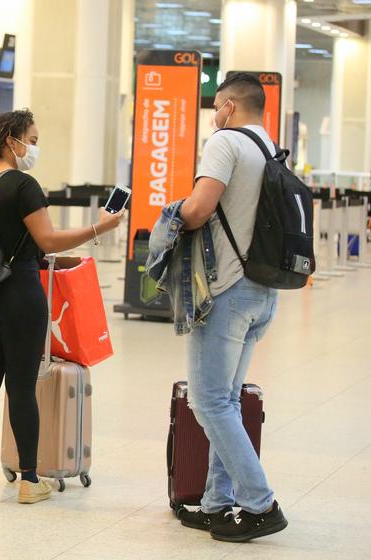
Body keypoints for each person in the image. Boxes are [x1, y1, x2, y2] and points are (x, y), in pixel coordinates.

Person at [0, 109, 124, 504]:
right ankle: (29, 479)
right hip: (19, 293)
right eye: (33, 140)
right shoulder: (23, 184)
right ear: (12, 140)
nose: (34, 148)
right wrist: (102, 227)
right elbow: (48, 240)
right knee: (22, 386)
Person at [175, 72, 288, 541]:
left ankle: (260, 503)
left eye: (215, 107)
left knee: (208, 401)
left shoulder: (225, 143)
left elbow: (199, 210)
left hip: (227, 290)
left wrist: (172, 211)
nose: (214, 115)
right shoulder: (269, 146)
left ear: (227, 105)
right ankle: (219, 503)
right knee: (226, 401)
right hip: (263, 290)